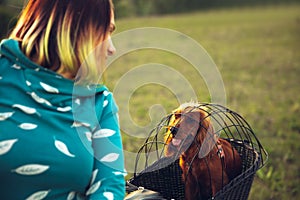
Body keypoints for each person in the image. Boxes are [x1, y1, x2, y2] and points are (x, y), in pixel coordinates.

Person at [0, 0, 126, 199]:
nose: (112, 49)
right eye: (106, 31)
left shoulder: (99, 103)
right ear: (74, 27)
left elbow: (109, 187)